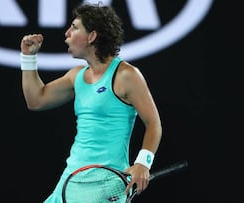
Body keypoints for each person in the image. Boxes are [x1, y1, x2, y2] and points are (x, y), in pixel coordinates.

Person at [20, 2, 162, 202]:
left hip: (105, 185)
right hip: (70, 180)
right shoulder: (76, 76)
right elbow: (36, 100)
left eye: (75, 27)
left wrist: (143, 163)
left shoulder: (126, 75)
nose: (67, 33)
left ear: (92, 36)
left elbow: (153, 123)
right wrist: (28, 58)